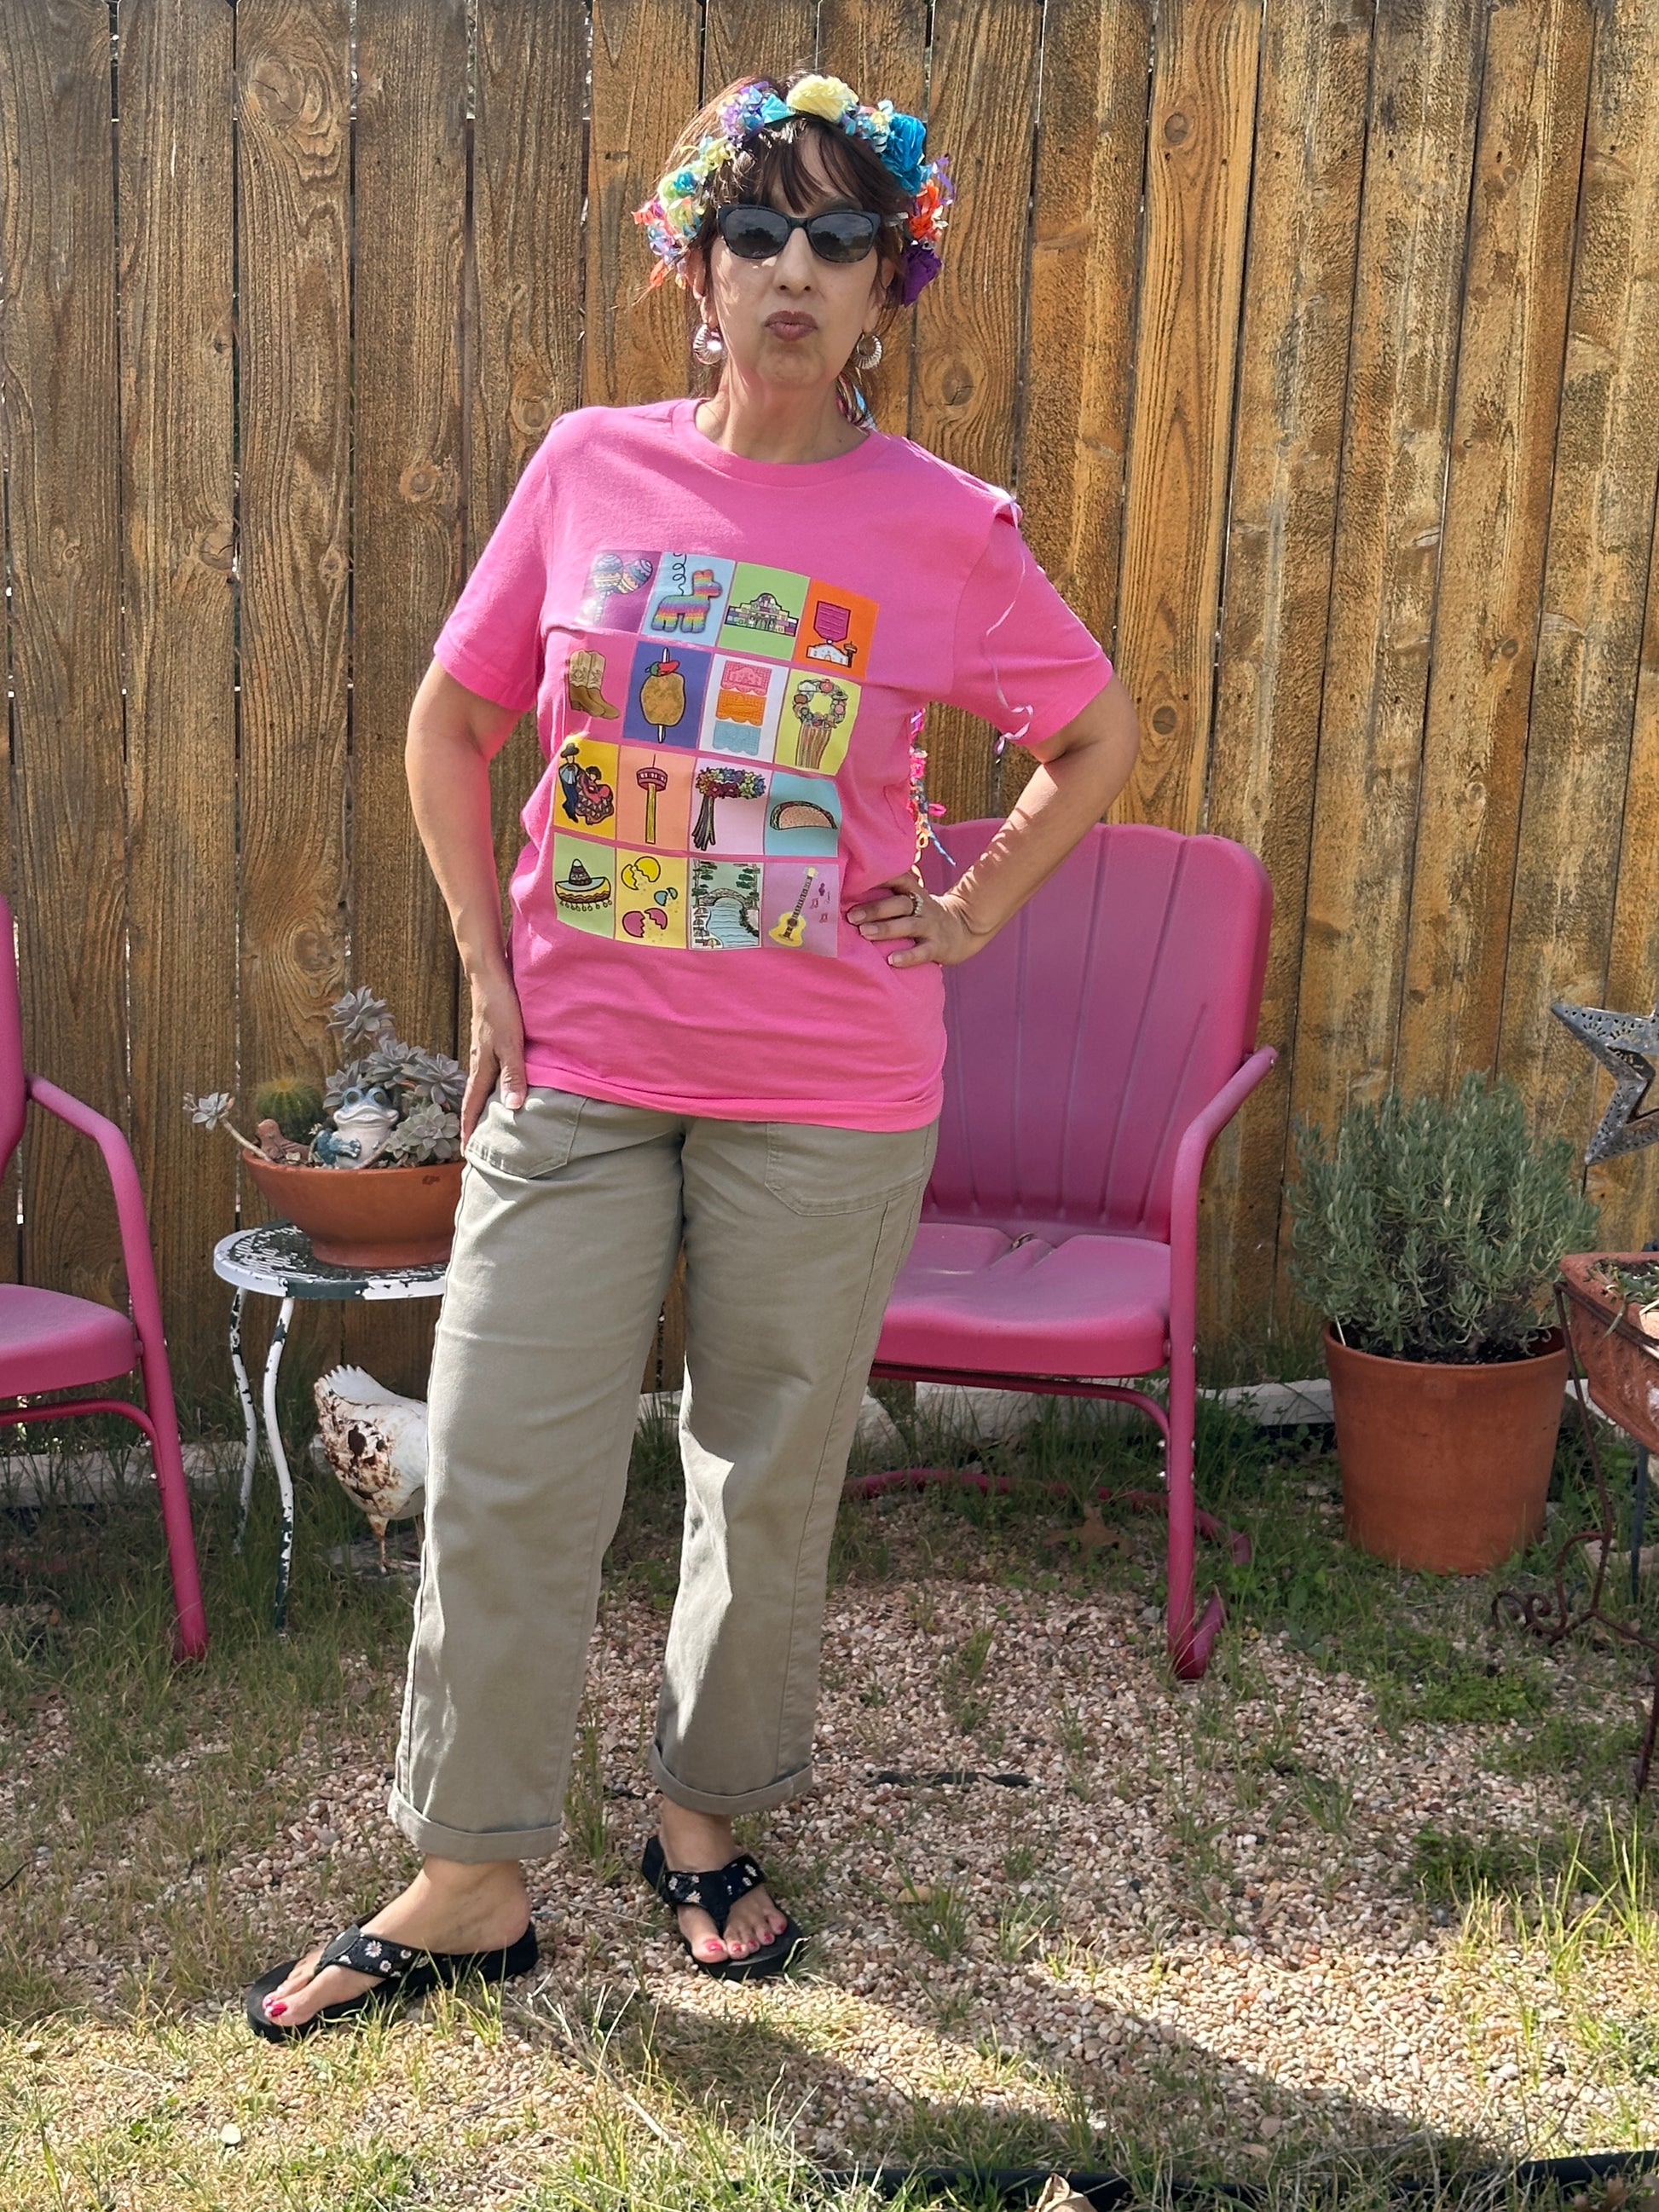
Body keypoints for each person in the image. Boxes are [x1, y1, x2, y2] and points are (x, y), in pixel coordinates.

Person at [245, 68, 1139, 2040]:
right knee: (493, 1455)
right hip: (575, 1065)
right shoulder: (588, 468)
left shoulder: (944, 528)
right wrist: (484, 968)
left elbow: (1094, 737)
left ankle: (702, 1818)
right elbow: (449, 726)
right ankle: (473, 1872)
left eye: (838, 238)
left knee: (762, 1471)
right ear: (697, 273)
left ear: (889, 283)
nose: (794, 271)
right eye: (757, 233)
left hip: (829, 1092)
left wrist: (973, 904)